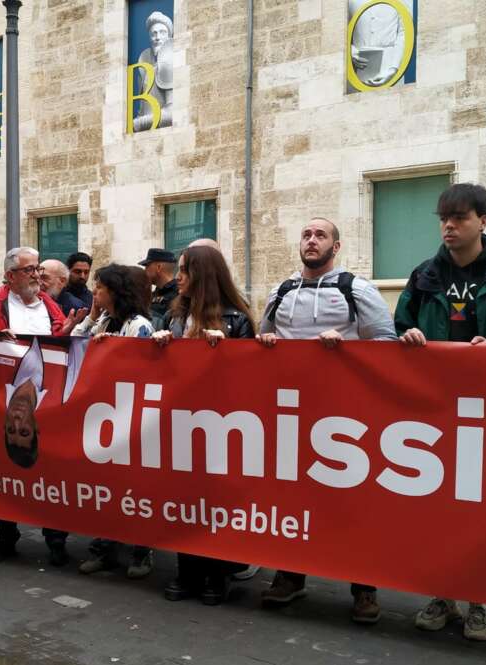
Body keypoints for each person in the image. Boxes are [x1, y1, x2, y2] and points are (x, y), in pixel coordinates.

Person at [395, 183, 486, 643]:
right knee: (438, 505)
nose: (449, 226)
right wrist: (407, 337)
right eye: (443, 219)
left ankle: (478, 600)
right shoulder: (424, 274)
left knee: (480, 506)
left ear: (483, 221)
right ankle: (442, 593)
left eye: (460, 218)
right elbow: (400, 326)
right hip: (434, 410)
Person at [256, 217, 396, 624]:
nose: (312, 240)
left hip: (344, 418)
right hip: (290, 416)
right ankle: (290, 576)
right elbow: (260, 340)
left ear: (336, 247)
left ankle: (363, 586)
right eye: (306, 234)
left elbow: (385, 343)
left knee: (350, 502)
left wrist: (346, 352)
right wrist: (265, 343)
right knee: (291, 497)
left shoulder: (357, 288)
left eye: (320, 236)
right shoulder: (280, 291)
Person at [0, 247, 83, 565]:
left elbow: (61, 342)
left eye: (38, 269)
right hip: (2, 400)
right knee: (4, 473)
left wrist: (67, 333)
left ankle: (56, 540)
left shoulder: (49, 305)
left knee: (52, 475)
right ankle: (6, 538)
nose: (37, 275)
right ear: (11, 276)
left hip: (49, 407)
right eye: (30, 270)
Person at [153, 246, 255, 604]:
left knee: (216, 501)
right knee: (183, 499)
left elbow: (254, 378)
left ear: (203, 275)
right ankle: (187, 570)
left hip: (223, 426)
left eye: (184, 270)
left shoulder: (236, 318)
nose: (177, 276)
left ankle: (217, 573)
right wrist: (160, 344)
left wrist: (229, 352)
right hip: (180, 423)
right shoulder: (173, 316)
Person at [72, 264, 154, 578]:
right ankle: (104, 547)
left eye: (101, 288)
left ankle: (140, 550)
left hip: (129, 418)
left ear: (117, 291)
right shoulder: (103, 321)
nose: (95, 292)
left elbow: (141, 370)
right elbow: (75, 345)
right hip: (101, 416)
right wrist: (92, 318)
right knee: (105, 487)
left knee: (134, 487)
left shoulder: (138, 326)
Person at [133, 11, 174, 131]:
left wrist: (137, 124)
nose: (157, 37)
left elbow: (172, 114)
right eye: (153, 33)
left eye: (162, 33)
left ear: (169, 36)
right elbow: (141, 112)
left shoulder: (168, 64)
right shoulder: (145, 70)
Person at [139, 248, 178, 330]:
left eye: (147, 266)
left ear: (158, 267)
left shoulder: (178, 294)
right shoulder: (152, 295)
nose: (145, 270)